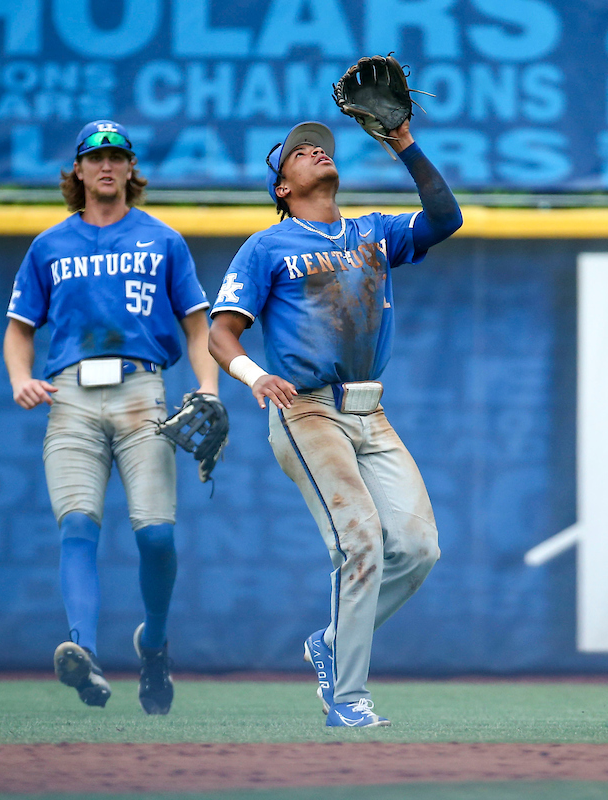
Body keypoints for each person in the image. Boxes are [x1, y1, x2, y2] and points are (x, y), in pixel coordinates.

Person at [207, 118, 462, 727]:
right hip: (307, 409)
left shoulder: (373, 231)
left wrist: (403, 142)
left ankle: (329, 642)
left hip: (370, 410)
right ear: (282, 188)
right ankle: (347, 697)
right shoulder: (267, 247)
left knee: (420, 548)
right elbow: (221, 332)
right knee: (361, 541)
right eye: (297, 152)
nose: (315, 149)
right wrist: (252, 375)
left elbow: (445, 218)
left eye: (319, 145)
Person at [3, 120, 219, 715]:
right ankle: (85, 652)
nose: (106, 164)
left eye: (117, 155)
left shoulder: (162, 240)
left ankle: (153, 644)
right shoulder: (49, 245)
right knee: (78, 525)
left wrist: (207, 386)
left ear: (131, 170)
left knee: (157, 537)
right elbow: (20, 331)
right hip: (71, 396)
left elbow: (197, 327)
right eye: (95, 156)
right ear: (77, 171)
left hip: (141, 390)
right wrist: (22, 378)